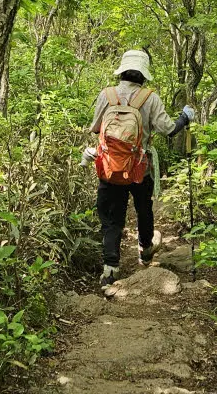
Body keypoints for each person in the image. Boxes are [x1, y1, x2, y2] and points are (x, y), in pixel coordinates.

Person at [82, 48, 195, 288]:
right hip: (139, 169)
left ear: (122, 71)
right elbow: (167, 129)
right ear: (143, 74)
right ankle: (145, 249)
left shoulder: (107, 95)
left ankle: (110, 269)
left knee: (112, 218)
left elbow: (95, 128)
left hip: (110, 167)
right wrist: (184, 118)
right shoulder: (149, 98)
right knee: (144, 209)